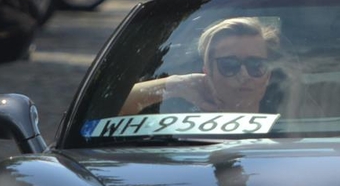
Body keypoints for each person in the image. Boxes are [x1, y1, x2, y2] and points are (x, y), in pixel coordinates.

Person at [120, 15, 281, 115]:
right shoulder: (178, 126)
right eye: (230, 65)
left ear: (268, 75)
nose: (244, 75)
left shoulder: (294, 124)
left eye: (256, 65)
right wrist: (175, 85)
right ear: (207, 72)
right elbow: (106, 110)